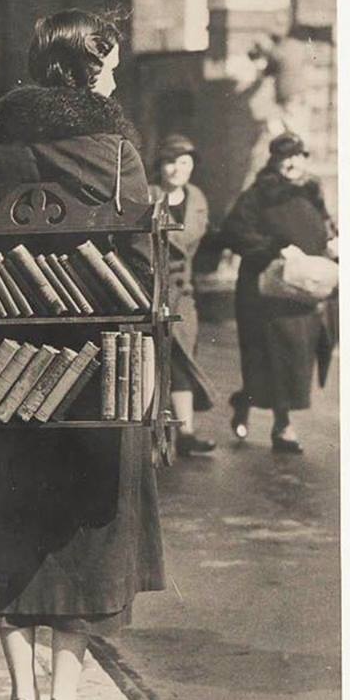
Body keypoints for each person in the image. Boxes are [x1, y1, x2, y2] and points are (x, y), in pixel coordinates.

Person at [0, 9, 164, 700]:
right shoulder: (116, 148)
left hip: (2, 367)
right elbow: (139, 264)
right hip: (95, 365)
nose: (119, 73)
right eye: (113, 61)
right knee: (88, 538)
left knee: (5, 529)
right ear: (91, 64)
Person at [221, 131, 336, 453]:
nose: (291, 163)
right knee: (271, 357)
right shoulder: (258, 193)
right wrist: (273, 249)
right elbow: (234, 231)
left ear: (304, 159)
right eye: (284, 157)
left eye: (297, 156)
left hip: (302, 290)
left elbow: (326, 226)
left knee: (297, 358)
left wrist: (332, 244)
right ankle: (280, 424)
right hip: (265, 291)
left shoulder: (312, 190)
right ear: (274, 160)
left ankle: (262, 410)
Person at [149, 134, 215, 457]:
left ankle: (185, 431)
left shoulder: (197, 198)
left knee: (184, 359)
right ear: (160, 165)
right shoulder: (149, 195)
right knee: (159, 360)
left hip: (183, 292)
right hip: (151, 289)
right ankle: (162, 433)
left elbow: (196, 242)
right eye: (170, 162)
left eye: (184, 163)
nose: (177, 169)